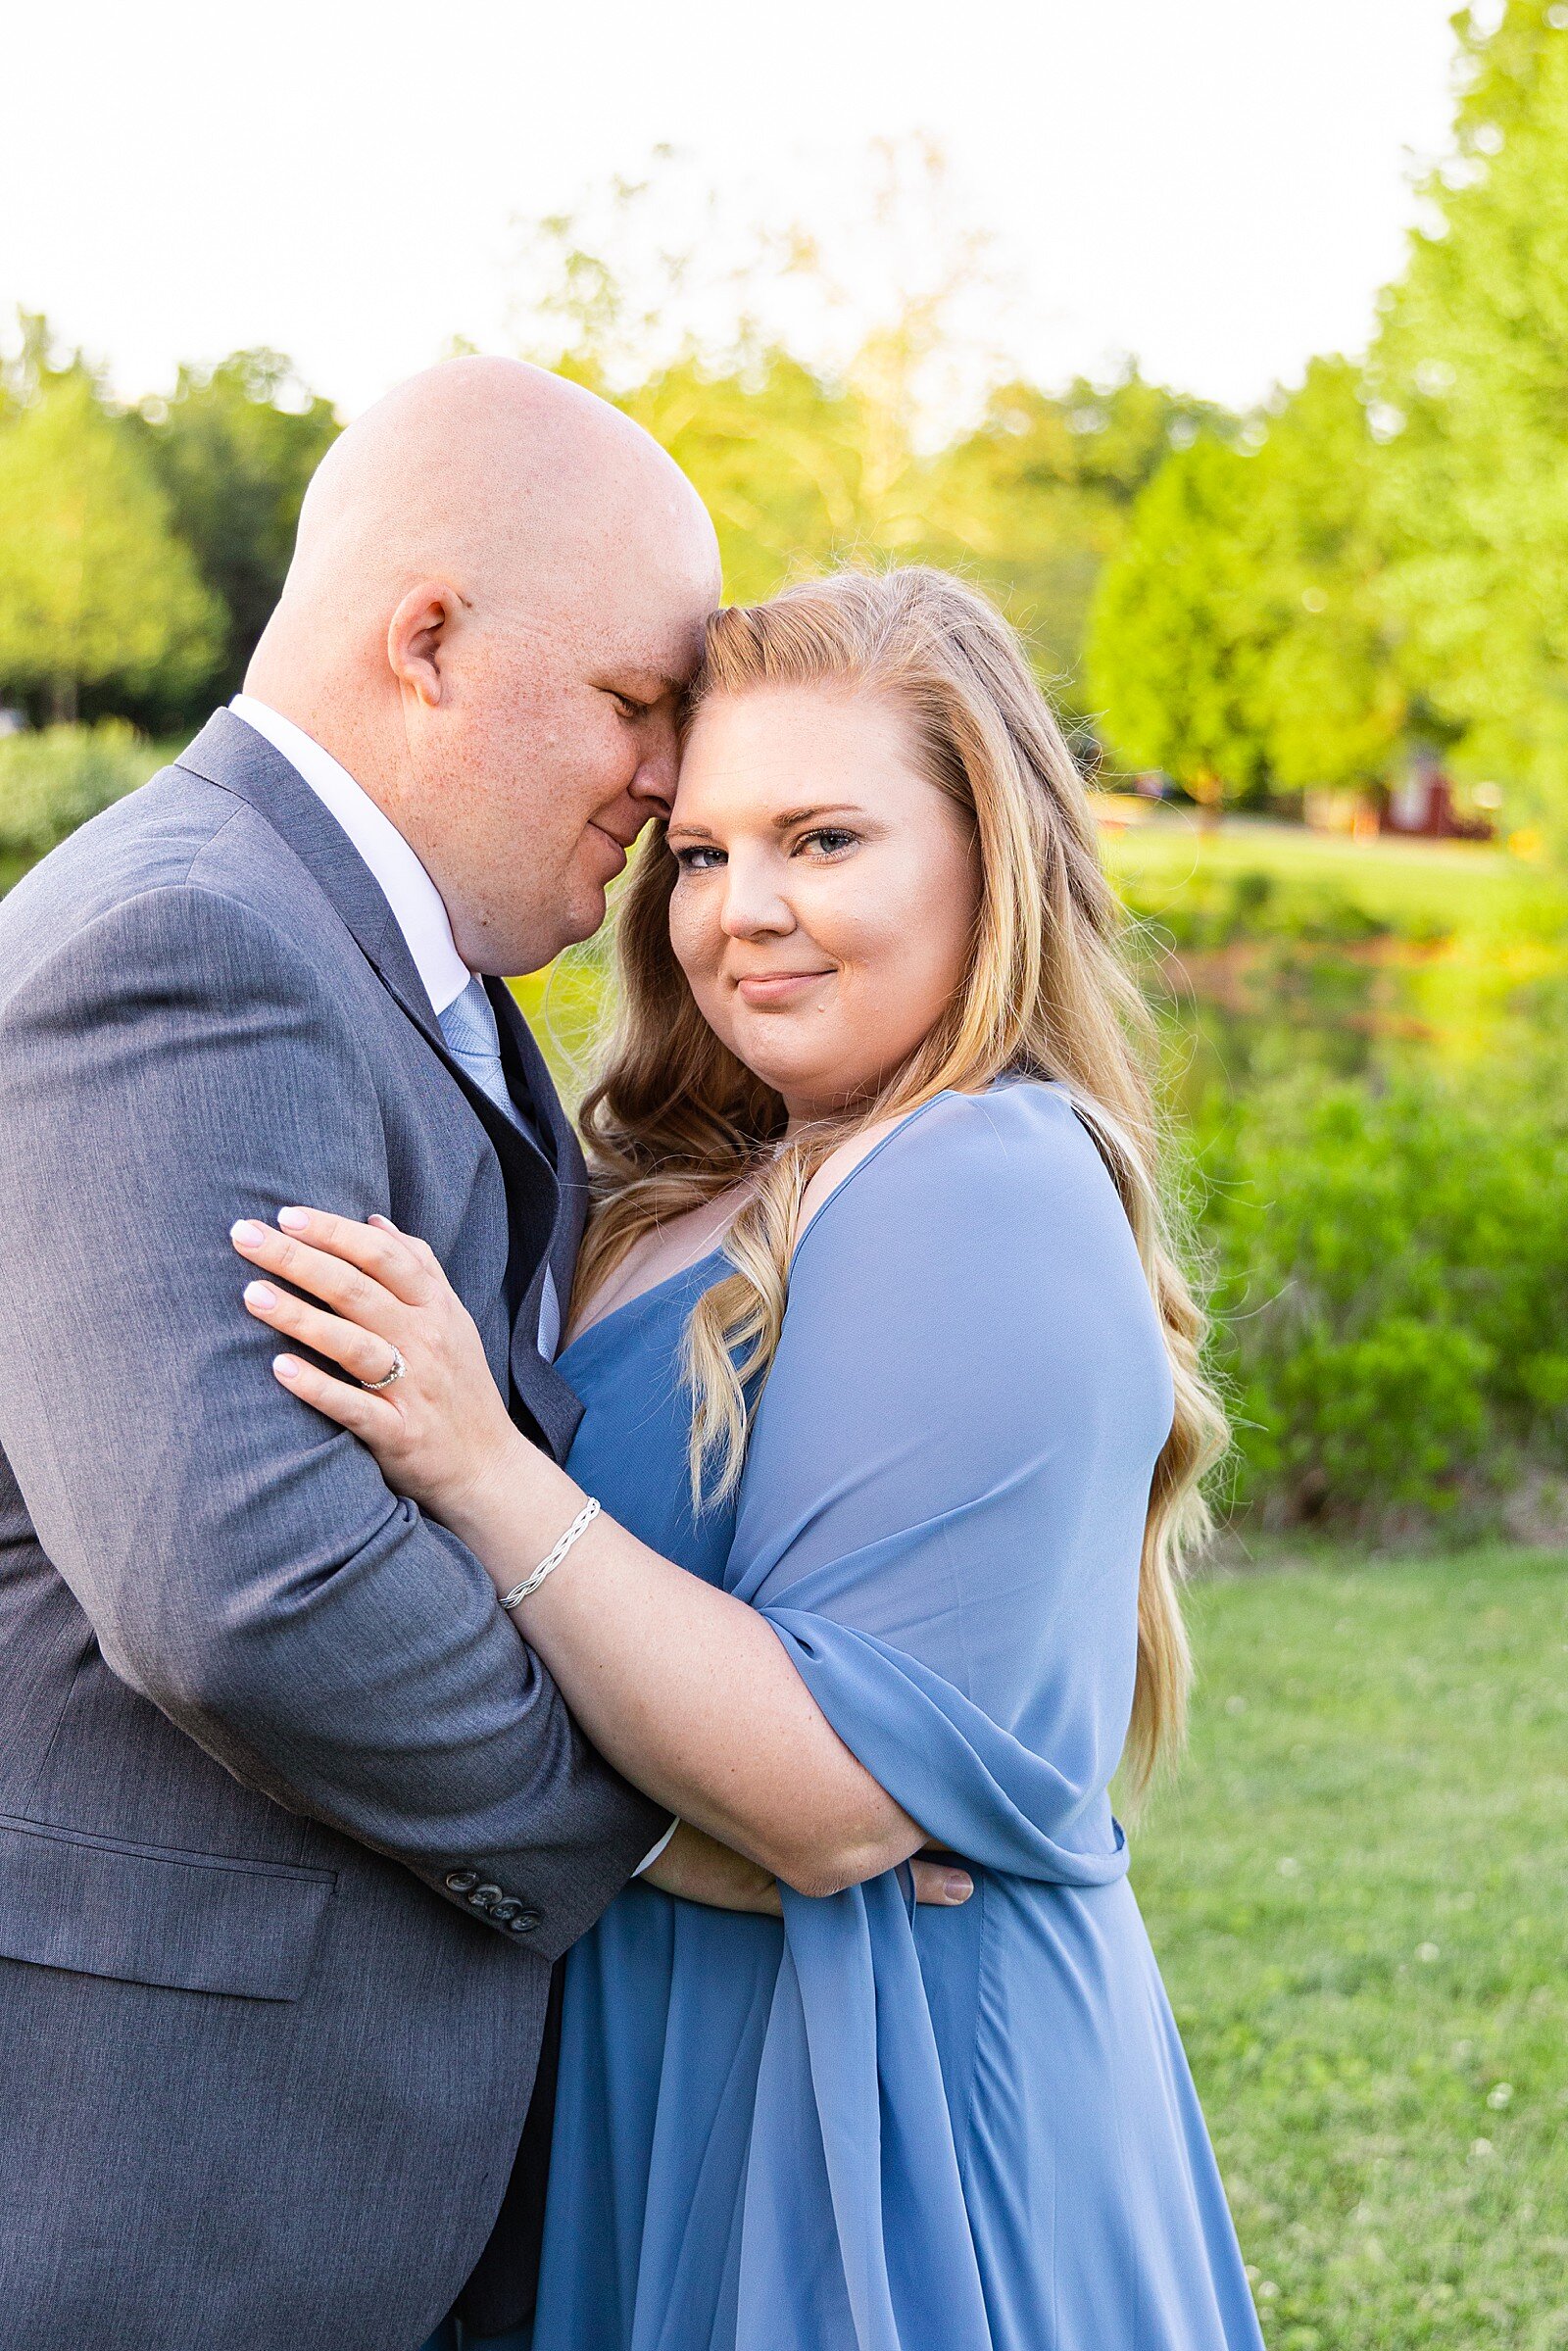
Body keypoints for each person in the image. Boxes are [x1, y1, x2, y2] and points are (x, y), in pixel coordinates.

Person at [0, 363, 966, 2351]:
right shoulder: (190, 943)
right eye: (631, 705)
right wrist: (657, 1830)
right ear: (425, 638)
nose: (659, 785)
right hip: (173, 2176)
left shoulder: (397, 963)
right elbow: (253, 1586)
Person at [232, 566, 1267, 2350]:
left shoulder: (982, 1178)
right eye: (700, 853)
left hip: (878, 2095)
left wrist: (483, 1464)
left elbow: (833, 1794)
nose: (744, 912)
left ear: (988, 856)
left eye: (824, 839)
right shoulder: (680, 1181)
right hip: (677, 2033)